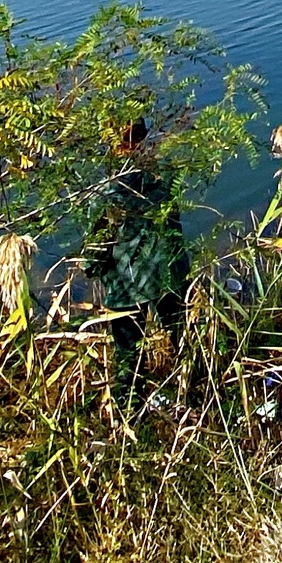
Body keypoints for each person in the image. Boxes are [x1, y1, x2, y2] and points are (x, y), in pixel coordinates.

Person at [82, 111, 196, 391]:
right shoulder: (165, 176)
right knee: (184, 341)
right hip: (170, 272)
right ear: (143, 137)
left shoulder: (106, 193)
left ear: (112, 142)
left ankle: (129, 412)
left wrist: (94, 269)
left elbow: (94, 254)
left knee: (127, 358)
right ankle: (192, 391)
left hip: (127, 286)